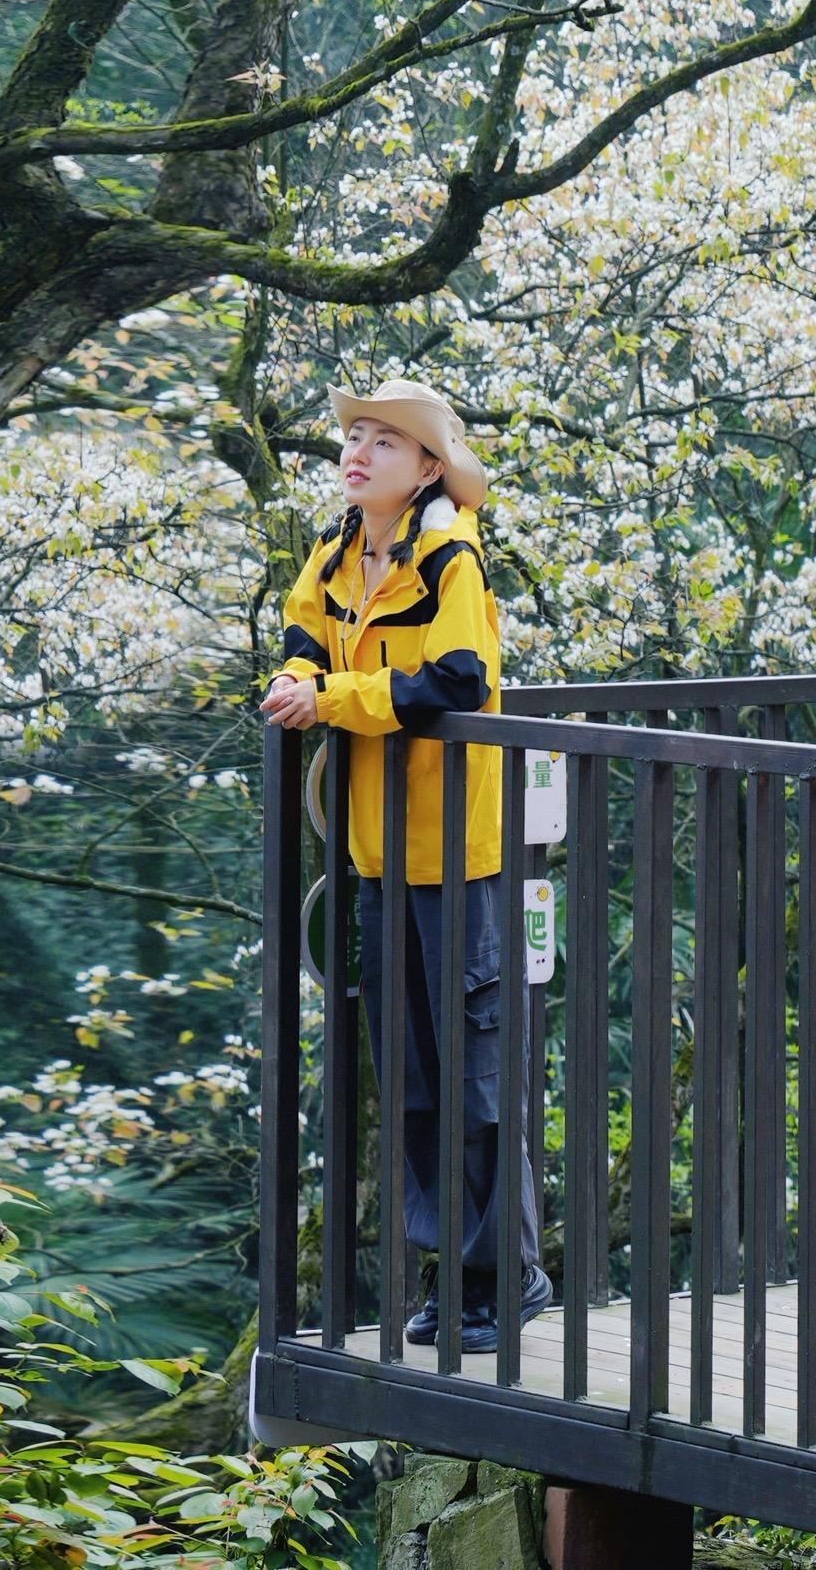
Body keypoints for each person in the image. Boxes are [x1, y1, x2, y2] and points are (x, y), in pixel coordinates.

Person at [259, 377, 548, 1351]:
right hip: (375, 849)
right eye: (354, 437)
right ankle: (449, 1276)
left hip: (457, 850)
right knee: (412, 1074)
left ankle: (503, 1279)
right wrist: (298, 678)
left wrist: (334, 697)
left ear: (427, 468)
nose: (358, 453)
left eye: (384, 441)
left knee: (472, 1069)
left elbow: (455, 680)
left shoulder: (447, 552)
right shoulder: (339, 548)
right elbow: (303, 635)